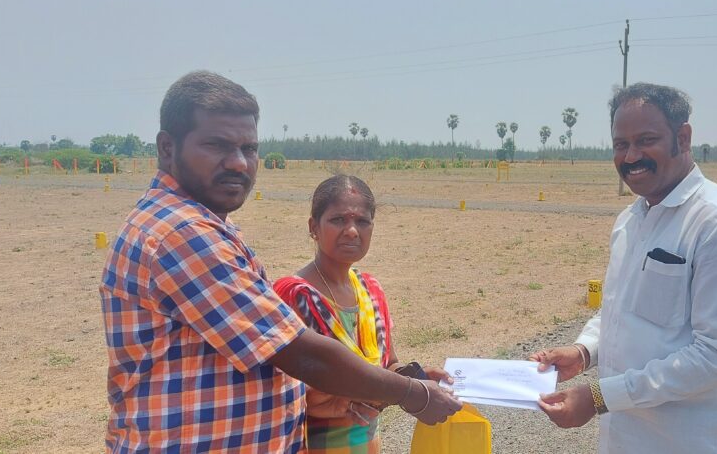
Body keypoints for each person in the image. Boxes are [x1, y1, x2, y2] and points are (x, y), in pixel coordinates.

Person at [99, 71, 460, 453]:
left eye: (249, 148)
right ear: (167, 147)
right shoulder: (181, 233)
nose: (239, 163)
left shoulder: (205, 225)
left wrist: (380, 386)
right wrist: (413, 393)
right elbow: (300, 354)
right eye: (217, 145)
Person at [529, 83, 717, 453]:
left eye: (646, 140)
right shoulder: (631, 220)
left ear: (683, 138)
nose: (631, 156)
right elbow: (620, 313)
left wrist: (599, 396)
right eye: (620, 144)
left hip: (690, 442)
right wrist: (584, 352)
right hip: (625, 438)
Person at [272, 174, 452, 453]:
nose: (352, 231)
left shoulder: (370, 290)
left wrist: (412, 379)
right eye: (338, 220)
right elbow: (280, 389)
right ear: (313, 227)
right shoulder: (293, 296)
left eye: (362, 221)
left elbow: (388, 364)